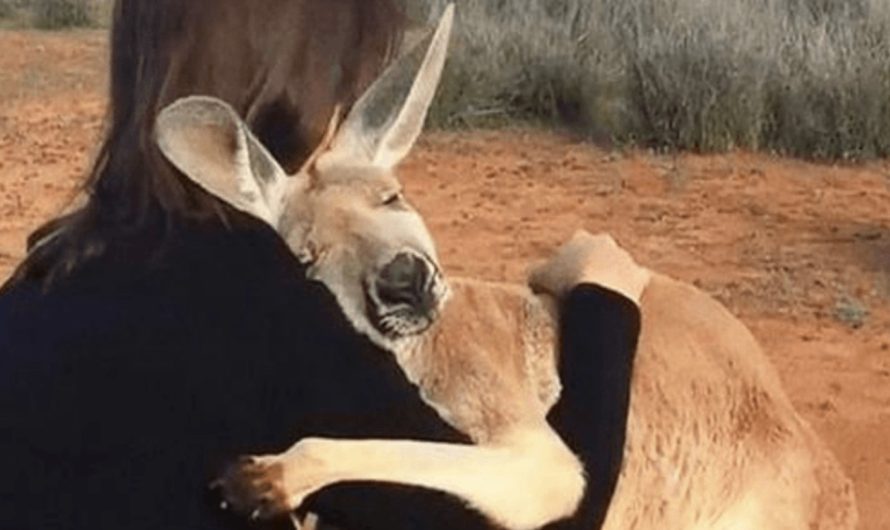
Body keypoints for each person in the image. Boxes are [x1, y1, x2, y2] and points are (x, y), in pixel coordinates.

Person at [0, 1, 641, 529]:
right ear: (302, 89)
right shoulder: (278, 323)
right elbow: (551, 512)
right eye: (345, 79)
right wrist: (604, 308)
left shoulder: (36, 286)